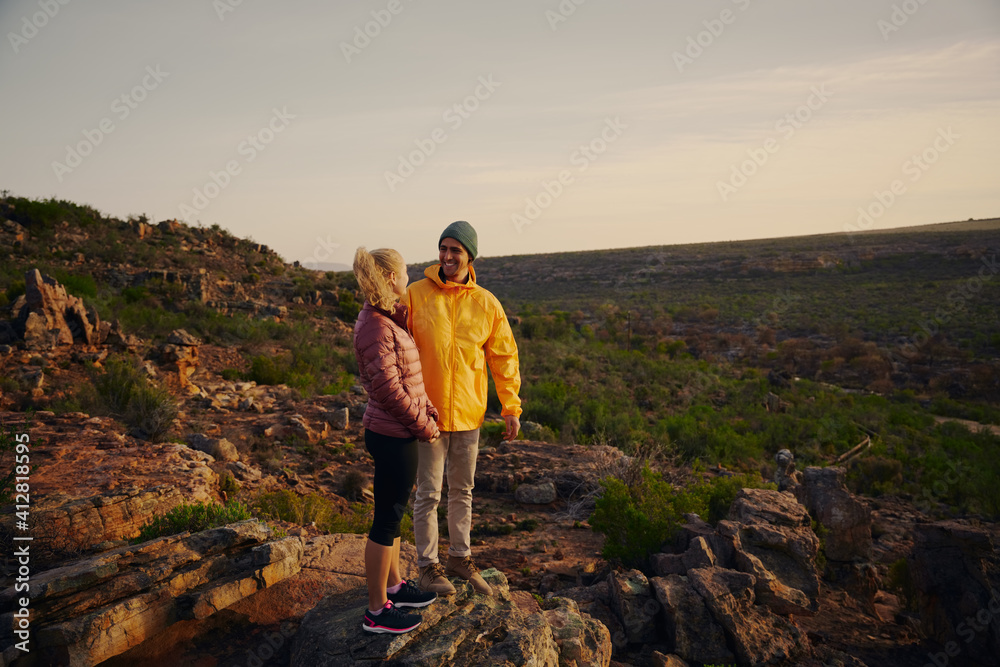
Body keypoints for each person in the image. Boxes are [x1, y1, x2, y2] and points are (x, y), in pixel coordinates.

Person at [406, 221, 522, 597]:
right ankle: (427, 567)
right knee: (428, 493)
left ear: (470, 256)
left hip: (470, 415)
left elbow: (503, 356)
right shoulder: (415, 294)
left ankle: (460, 557)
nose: (448, 256)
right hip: (428, 417)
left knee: (463, 491)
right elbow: (396, 348)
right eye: (443, 248)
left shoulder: (486, 302)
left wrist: (510, 406)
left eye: (456, 250)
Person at [352, 247, 441, 634]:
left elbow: (408, 379)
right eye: (404, 272)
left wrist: (428, 410)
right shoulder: (376, 324)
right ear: (391, 277)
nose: (409, 277)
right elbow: (389, 390)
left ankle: (394, 586)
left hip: (395, 431)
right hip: (392, 434)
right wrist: (424, 425)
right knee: (385, 521)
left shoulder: (387, 318)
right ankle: (377, 611)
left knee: (394, 512)